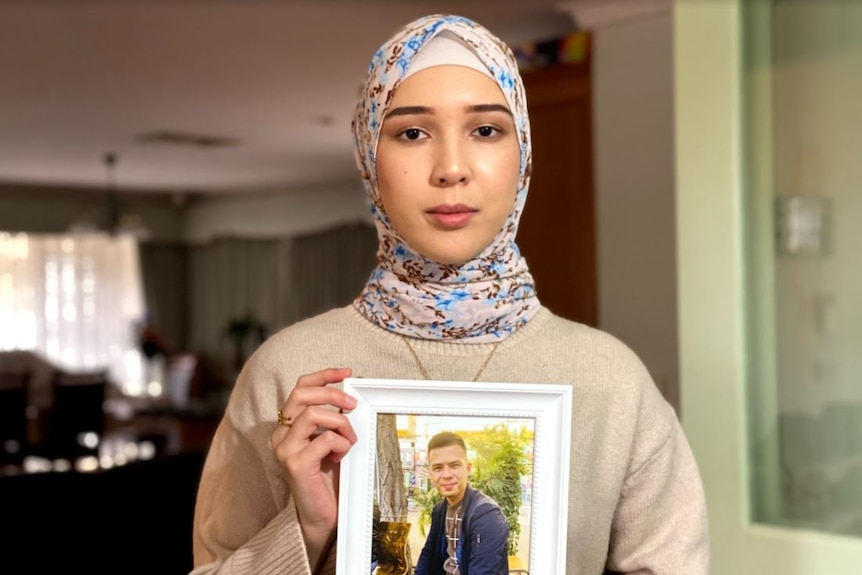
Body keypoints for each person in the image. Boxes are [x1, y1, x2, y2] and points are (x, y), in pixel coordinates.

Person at [190, 13, 710, 575]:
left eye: (485, 130)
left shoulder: (613, 382)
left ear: (523, 157)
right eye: (412, 132)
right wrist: (308, 531)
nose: (452, 169)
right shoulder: (287, 373)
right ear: (370, 158)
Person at [413, 432, 508, 575]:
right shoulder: (440, 510)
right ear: (431, 474)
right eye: (438, 468)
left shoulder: (487, 515)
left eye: (454, 465)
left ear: (468, 469)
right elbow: (428, 555)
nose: (446, 475)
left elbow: (484, 571)